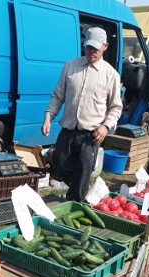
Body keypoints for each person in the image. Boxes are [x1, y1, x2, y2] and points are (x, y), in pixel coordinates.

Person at [42, 27, 122, 202]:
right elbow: (58, 96)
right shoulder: (70, 67)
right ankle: (80, 189)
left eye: (95, 48)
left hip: (91, 134)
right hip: (69, 128)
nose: (91, 51)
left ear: (105, 46)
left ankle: (76, 203)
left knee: (84, 169)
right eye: (88, 47)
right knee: (59, 164)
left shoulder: (111, 75)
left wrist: (105, 126)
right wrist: (49, 116)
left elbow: (116, 107)